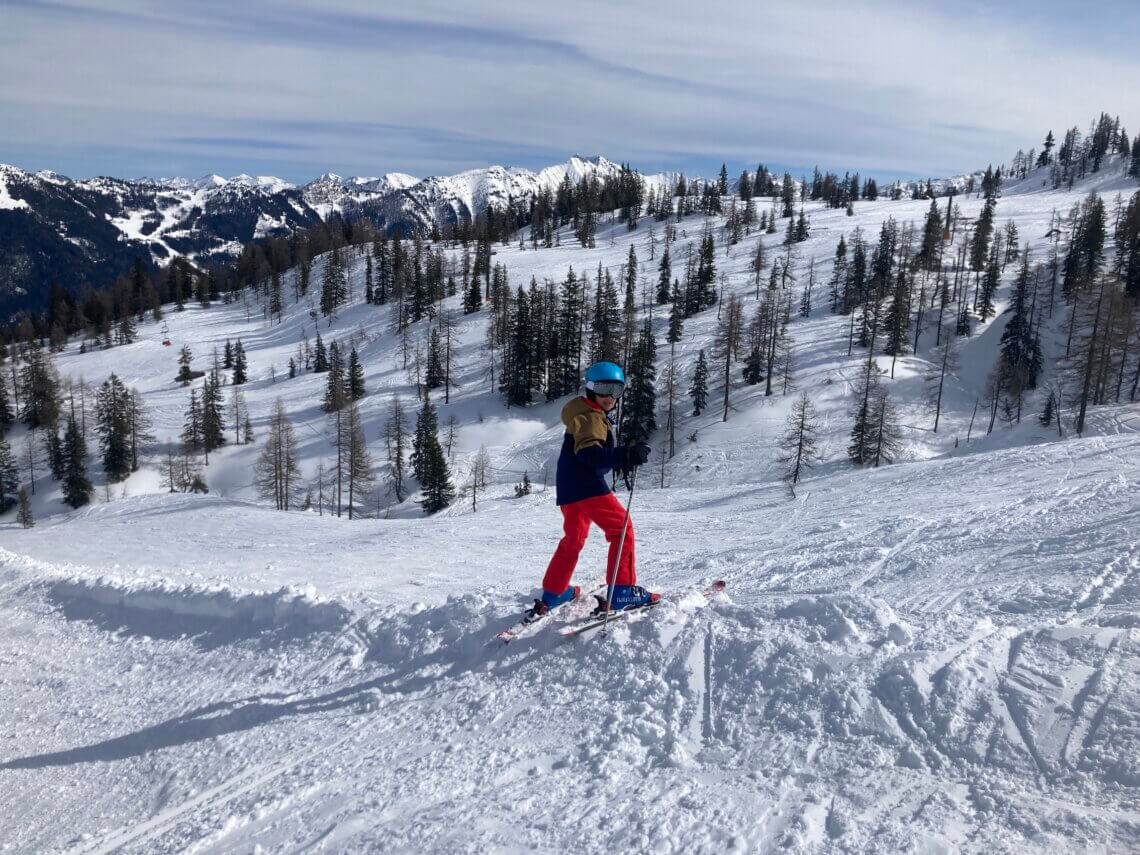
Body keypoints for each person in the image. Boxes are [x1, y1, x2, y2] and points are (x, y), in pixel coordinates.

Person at [528, 361, 656, 619]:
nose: (610, 396)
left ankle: (554, 592)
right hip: (586, 485)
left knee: (573, 539)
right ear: (590, 388)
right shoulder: (591, 417)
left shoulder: (583, 411)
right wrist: (625, 454)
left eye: (616, 390)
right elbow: (590, 455)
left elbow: (591, 455)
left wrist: (618, 459)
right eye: (604, 388)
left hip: (569, 487)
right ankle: (621, 591)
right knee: (622, 529)